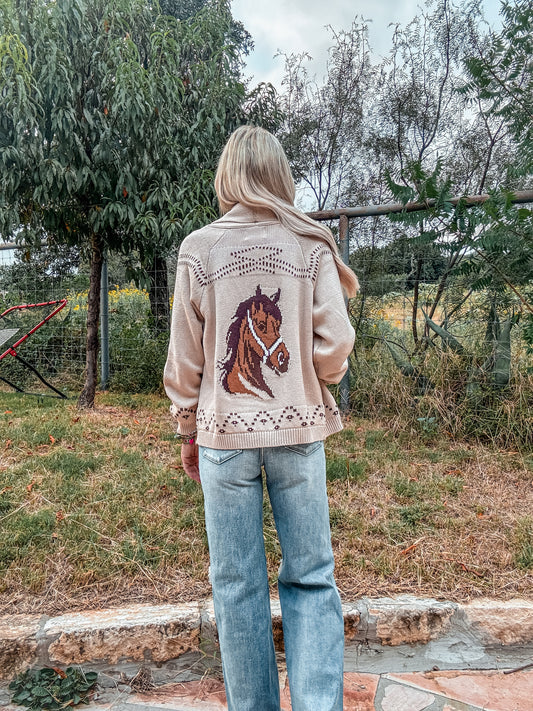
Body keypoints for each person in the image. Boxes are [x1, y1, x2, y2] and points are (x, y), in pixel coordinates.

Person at [163, 125, 358, 711]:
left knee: (237, 585)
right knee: (312, 576)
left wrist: (187, 428)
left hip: (223, 437)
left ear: (228, 176)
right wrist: (315, 378)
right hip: (299, 432)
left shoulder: (200, 249)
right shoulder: (310, 244)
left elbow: (186, 358)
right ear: (278, 175)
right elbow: (337, 341)